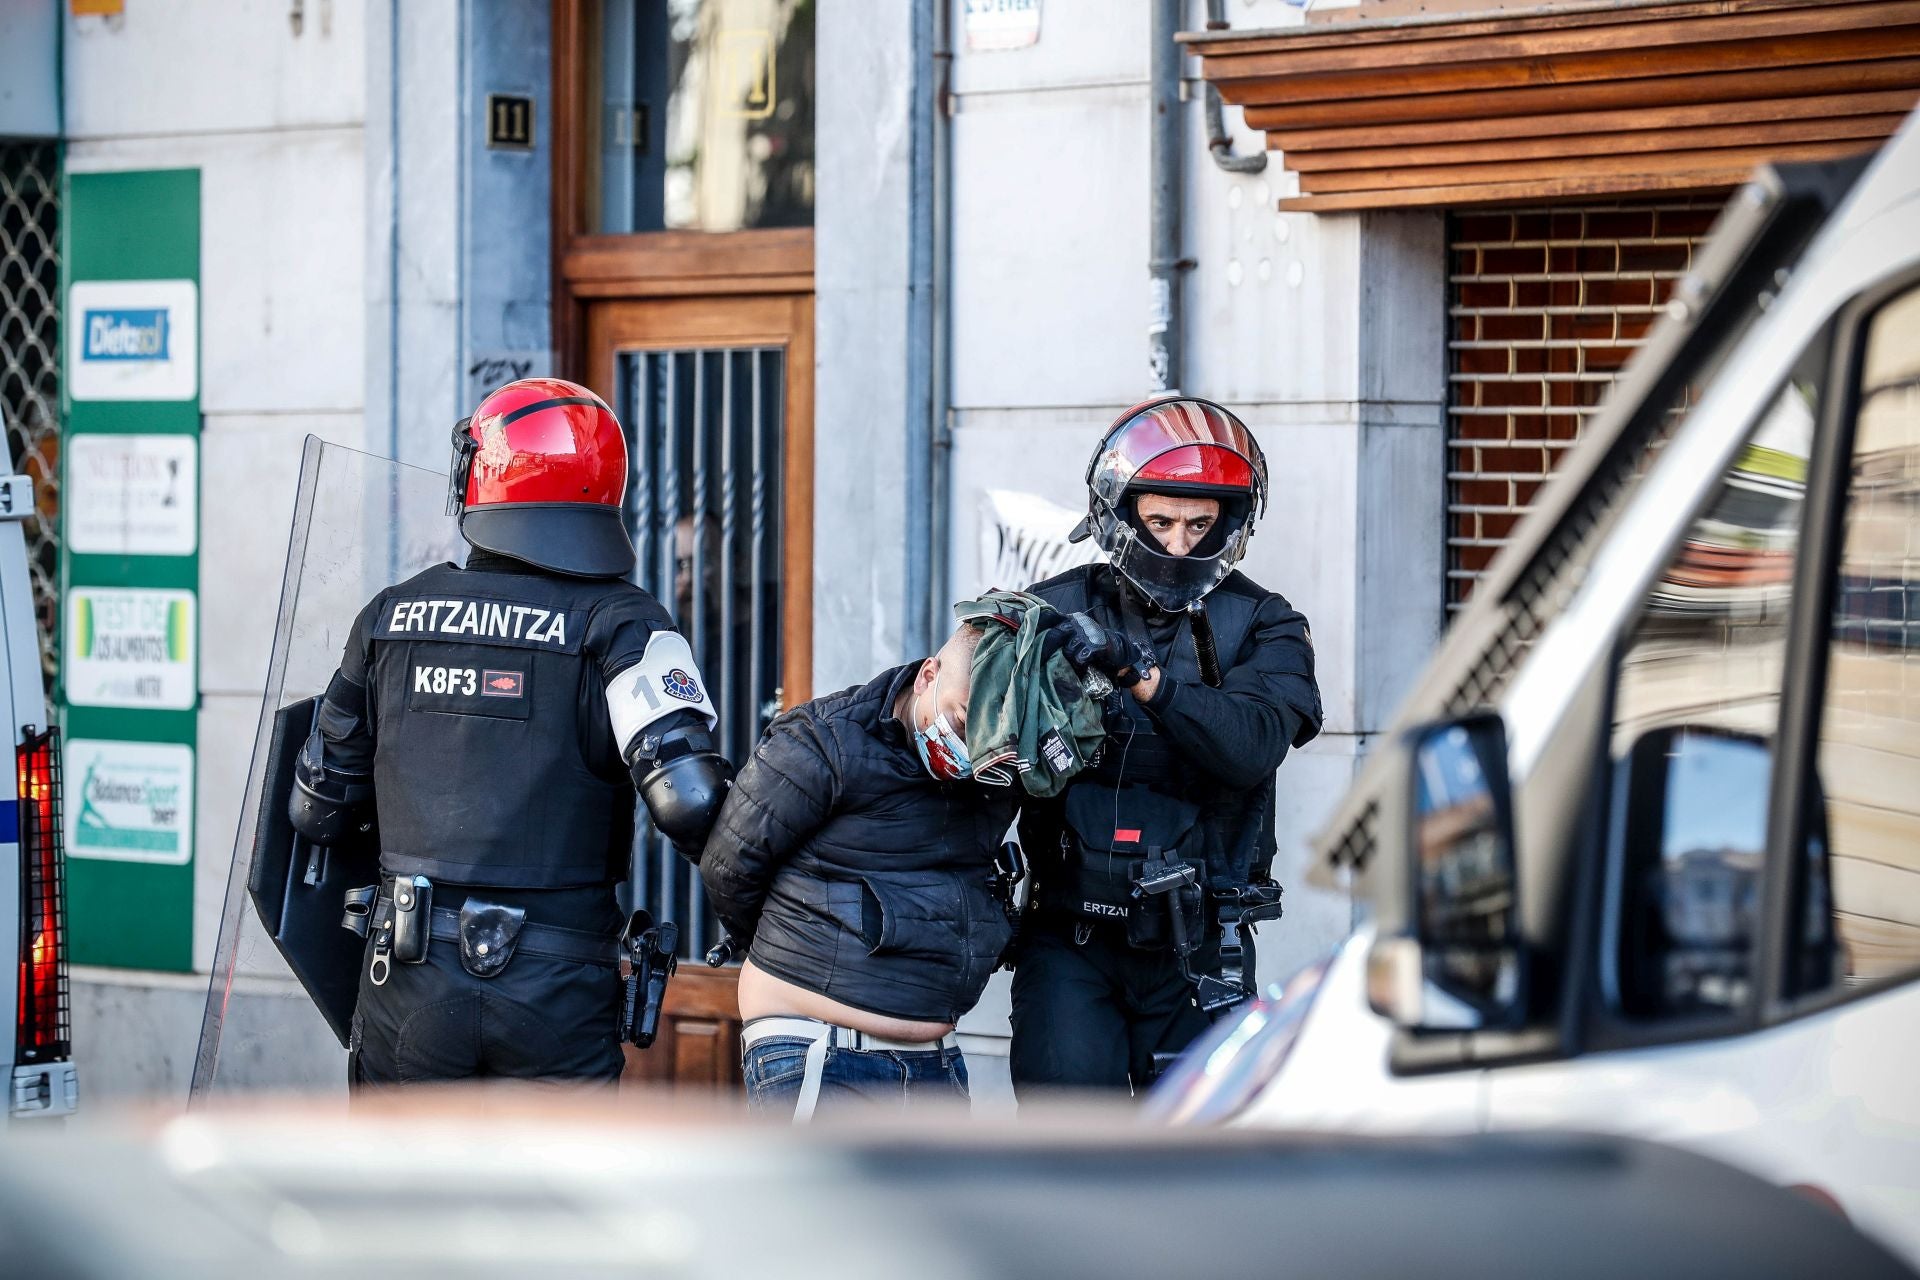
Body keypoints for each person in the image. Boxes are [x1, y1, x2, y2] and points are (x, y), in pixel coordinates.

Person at [287, 377, 733, 1087]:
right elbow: (692, 801)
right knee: (559, 1198)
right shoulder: (625, 625)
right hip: (558, 985)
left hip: (407, 971)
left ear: (483, 477)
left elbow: (318, 807)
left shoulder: (390, 617)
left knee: (393, 1196)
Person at [1010, 395, 1323, 1095]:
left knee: (1191, 1170)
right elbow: (978, 749)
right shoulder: (1053, 607)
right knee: (1064, 1146)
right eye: (1160, 521)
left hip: (1199, 942)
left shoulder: (1265, 623)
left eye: (1199, 525)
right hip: (1071, 936)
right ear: (1119, 514)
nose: (1179, 545)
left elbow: (1252, 744)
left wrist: (1144, 680)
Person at [700, 624, 1017, 1121]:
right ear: (928, 675)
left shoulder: (995, 771)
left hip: (936, 1062)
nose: (969, 743)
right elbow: (730, 865)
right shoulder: (825, 739)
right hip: (821, 1051)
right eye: (959, 719)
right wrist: (797, 942)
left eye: (988, 736)